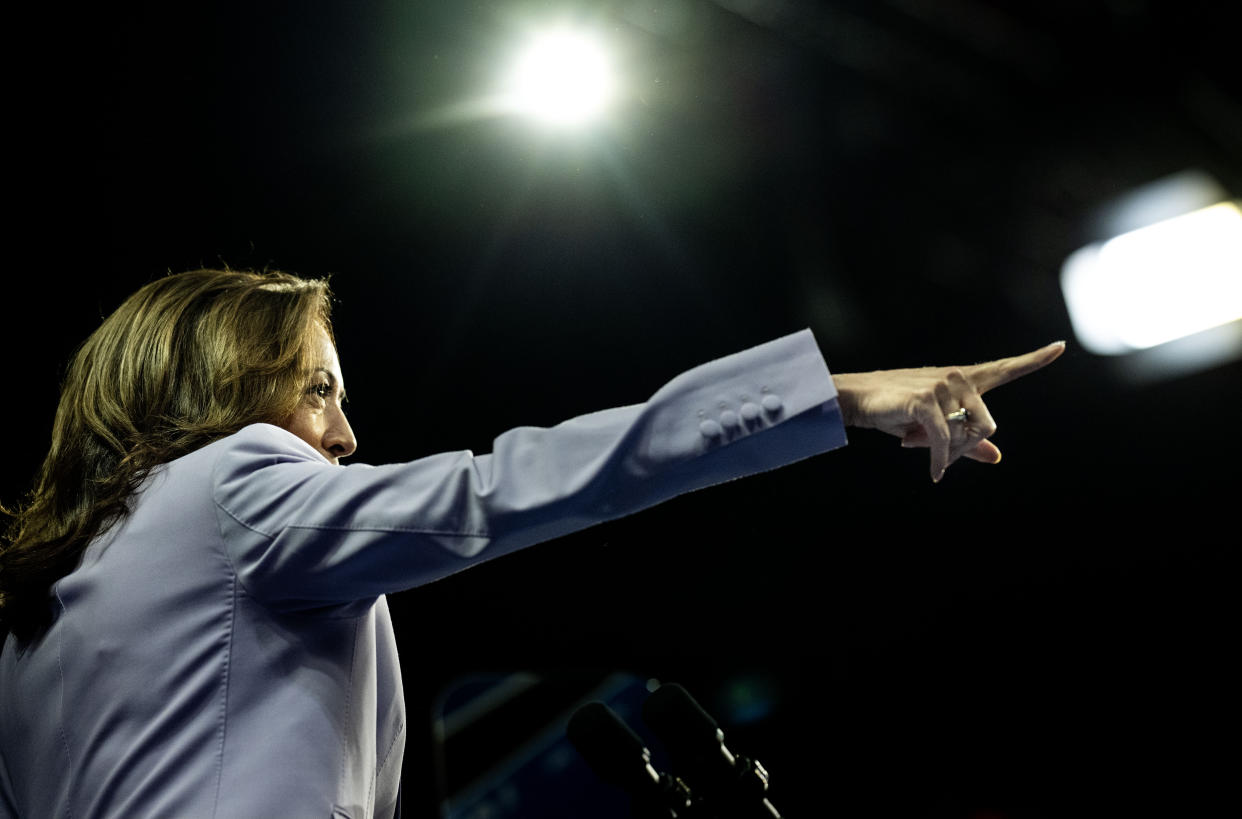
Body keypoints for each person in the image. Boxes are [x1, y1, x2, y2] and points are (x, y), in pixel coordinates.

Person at [0, 268, 1063, 818]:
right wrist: (836, 397)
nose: (344, 434)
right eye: (317, 389)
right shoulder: (230, 487)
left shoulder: (44, 622)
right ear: (221, 383)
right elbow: (511, 487)